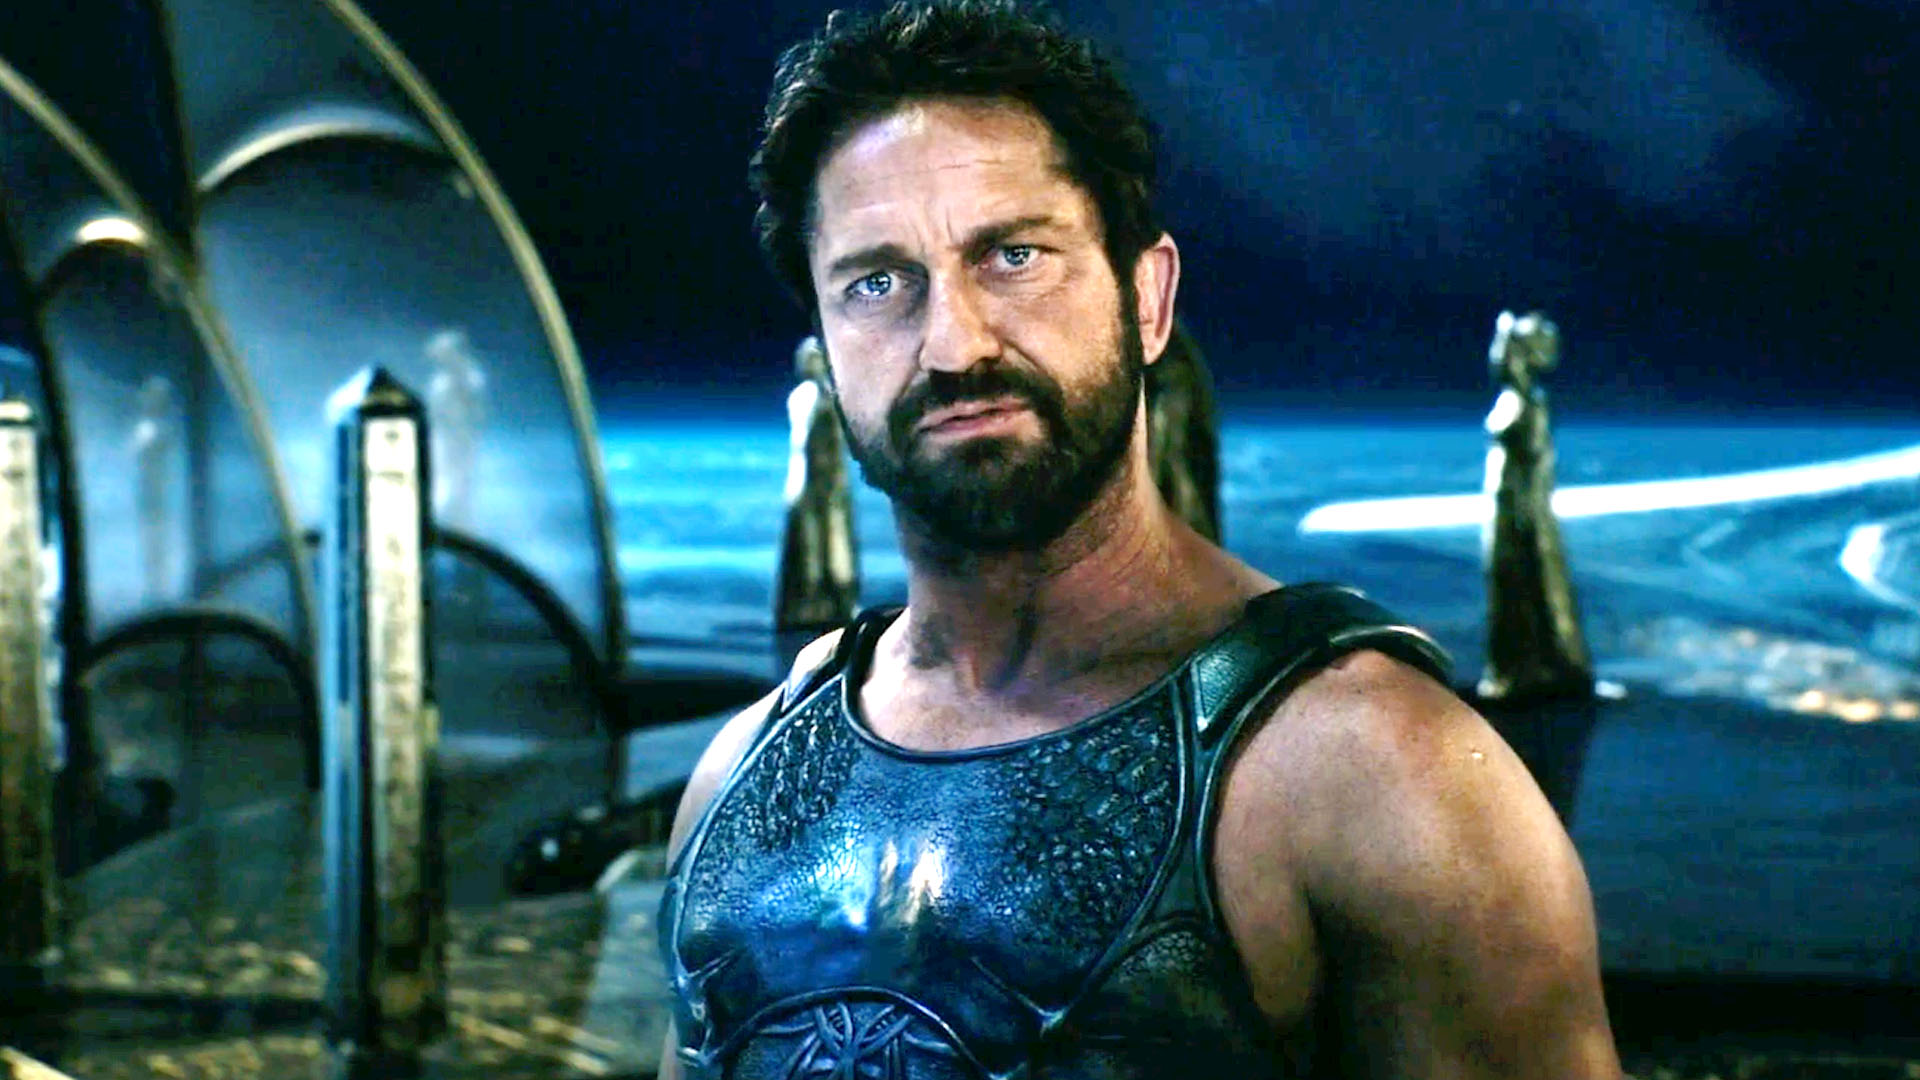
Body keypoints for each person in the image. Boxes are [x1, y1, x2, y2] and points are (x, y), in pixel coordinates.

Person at [657, 3, 1621, 1077]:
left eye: (1013, 255)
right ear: (826, 344)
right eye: (877, 283)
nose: (953, 344)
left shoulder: (1381, 774)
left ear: (1148, 298)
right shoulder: (745, 773)